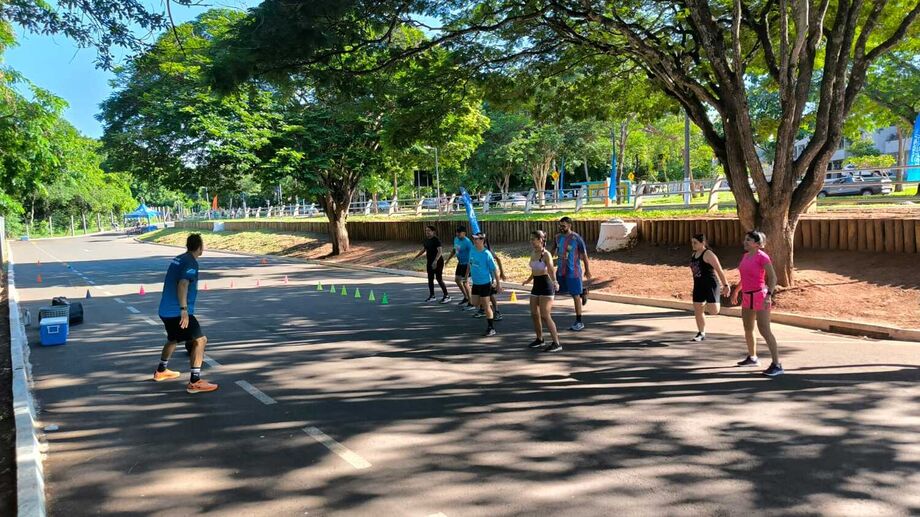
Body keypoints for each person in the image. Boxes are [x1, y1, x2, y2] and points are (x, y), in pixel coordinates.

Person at [154, 233, 219, 393]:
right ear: (200, 247)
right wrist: (184, 310)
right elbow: (182, 284)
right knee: (200, 340)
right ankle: (195, 382)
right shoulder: (191, 262)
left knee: (173, 339)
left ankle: (161, 371)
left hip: (165, 310)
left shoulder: (179, 258)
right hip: (176, 312)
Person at [730, 231, 784, 377]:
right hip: (747, 296)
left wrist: (769, 295)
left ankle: (777, 365)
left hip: (760, 295)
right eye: (745, 239)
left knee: (764, 329)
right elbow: (745, 277)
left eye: (748, 240)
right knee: (748, 328)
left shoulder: (763, 257)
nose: (745, 242)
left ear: (757, 243)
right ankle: (752, 358)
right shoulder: (745, 256)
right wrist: (736, 291)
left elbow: (773, 278)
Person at [522, 230, 561, 352]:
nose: (531, 241)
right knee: (534, 314)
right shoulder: (533, 253)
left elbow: (551, 270)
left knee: (545, 315)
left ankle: (556, 343)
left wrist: (555, 282)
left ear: (540, 240)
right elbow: (534, 271)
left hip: (546, 286)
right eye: (530, 239)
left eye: (533, 239)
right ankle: (540, 339)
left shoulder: (546, 254)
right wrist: (528, 280)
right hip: (536, 286)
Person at [552, 217, 591, 331]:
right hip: (561, 271)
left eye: (563, 226)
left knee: (575, 296)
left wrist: (587, 270)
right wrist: (546, 260)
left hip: (573, 272)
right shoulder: (557, 237)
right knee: (558, 291)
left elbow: (584, 255)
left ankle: (579, 321)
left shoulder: (576, 238)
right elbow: (552, 250)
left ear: (569, 225)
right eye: (560, 225)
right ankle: (582, 291)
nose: (561, 228)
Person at [689, 233, 730, 341]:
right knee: (698, 310)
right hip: (698, 285)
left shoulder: (708, 254)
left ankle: (714, 299)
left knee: (714, 311)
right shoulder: (694, 255)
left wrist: (726, 285)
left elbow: (719, 270)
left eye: (695, 243)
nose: (693, 244)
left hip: (711, 284)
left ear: (703, 243)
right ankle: (701, 333)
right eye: (692, 242)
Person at [468, 233, 502, 336]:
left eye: (477, 239)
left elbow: (494, 270)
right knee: (474, 303)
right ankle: (487, 307)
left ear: (482, 240)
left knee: (486, 305)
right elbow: (470, 264)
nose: (474, 241)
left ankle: (491, 328)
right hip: (475, 283)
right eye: (474, 239)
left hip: (485, 283)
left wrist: (498, 284)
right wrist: (466, 276)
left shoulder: (486, 254)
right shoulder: (472, 250)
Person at [414, 225, 451, 303]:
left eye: (429, 230)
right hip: (430, 262)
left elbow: (440, 251)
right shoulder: (426, 240)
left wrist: (435, 261)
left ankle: (447, 296)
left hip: (438, 262)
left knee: (439, 279)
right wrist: (417, 256)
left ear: (433, 232)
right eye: (426, 230)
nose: (427, 232)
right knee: (430, 279)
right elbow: (424, 249)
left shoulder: (436, 240)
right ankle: (432, 296)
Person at [474, 236, 506, 321]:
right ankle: (482, 309)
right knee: (481, 293)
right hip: (480, 277)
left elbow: (498, 259)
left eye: (478, 239)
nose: (476, 241)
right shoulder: (475, 249)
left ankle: (497, 311)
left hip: (488, 276)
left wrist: (502, 272)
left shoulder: (487, 251)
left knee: (490, 294)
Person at [445, 225, 475, 310]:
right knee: (457, 280)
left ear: (464, 233)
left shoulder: (468, 242)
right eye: (456, 232)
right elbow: (455, 250)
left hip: (467, 264)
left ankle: (471, 303)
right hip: (460, 263)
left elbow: (472, 256)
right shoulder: (456, 239)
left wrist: (469, 270)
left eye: (459, 232)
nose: (457, 234)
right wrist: (448, 259)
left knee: (465, 283)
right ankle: (466, 297)